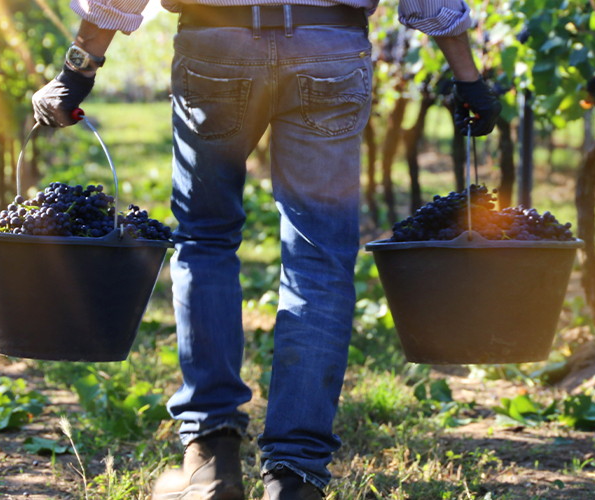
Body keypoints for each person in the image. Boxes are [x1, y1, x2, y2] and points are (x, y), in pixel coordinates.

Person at [31, 0, 501, 498]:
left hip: (217, 47)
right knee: (320, 256)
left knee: (205, 239)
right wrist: (467, 76)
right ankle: (295, 476)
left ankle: (211, 457)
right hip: (330, 48)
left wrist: (77, 69)